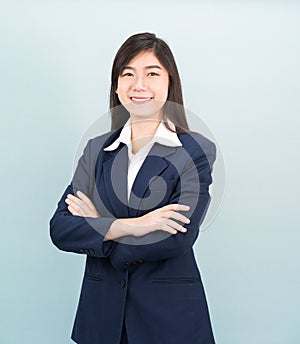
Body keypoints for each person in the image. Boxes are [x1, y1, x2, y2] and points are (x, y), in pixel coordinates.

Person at [50, 32, 216, 344]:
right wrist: (133, 226)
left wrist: (101, 229)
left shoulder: (194, 150)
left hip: (168, 319)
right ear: (116, 85)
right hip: (100, 319)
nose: (138, 85)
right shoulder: (96, 150)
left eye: (152, 73)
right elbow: (61, 228)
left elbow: (178, 236)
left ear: (169, 82)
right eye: (128, 73)